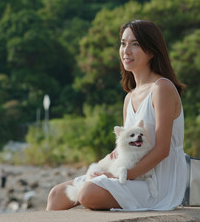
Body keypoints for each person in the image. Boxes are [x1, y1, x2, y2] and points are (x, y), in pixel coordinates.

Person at [46, 19, 188, 211]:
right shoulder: (129, 98)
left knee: (88, 193)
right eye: (123, 43)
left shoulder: (162, 88)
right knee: (56, 194)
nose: (126, 51)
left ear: (152, 51)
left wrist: (121, 175)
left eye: (135, 44)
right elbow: (125, 149)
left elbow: (163, 150)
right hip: (128, 172)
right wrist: (103, 170)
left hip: (157, 182)